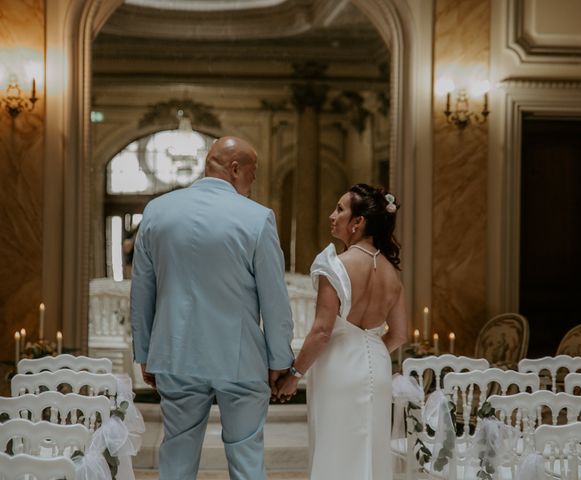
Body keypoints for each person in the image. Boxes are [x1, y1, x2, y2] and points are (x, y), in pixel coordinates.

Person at [130, 136, 294, 480]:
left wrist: (145, 352)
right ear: (235, 169)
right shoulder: (258, 218)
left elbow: (143, 290)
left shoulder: (157, 212)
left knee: (176, 452)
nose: (253, 182)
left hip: (175, 353)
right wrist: (279, 360)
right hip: (240, 356)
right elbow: (274, 299)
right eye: (253, 173)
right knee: (246, 455)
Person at [276, 183, 408, 480]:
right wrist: (367, 353)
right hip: (378, 366)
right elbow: (399, 335)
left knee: (335, 448)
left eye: (340, 209)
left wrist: (293, 375)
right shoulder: (391, 271)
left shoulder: (334, 266)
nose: (332, 215)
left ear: (358, 222)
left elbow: (322, 331)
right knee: (370, 450)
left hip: (338, 369)